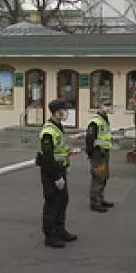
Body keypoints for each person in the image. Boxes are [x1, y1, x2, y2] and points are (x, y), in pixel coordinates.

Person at [36, 99, 78, 248]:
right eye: (63, 110)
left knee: (62, 201)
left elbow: (58, 149)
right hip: (52, 173)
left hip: (61, 169)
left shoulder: (58, 127)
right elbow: (47, 157)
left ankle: (60, 230)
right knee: (52, 203)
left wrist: (68, 152)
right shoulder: (48, 131)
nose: (66, 113)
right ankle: (50, 236)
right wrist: (56, 177)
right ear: (56, 112)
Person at [86, 101, 115, 213]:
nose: (108, 108)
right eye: (106, 105)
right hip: (98, 153)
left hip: (105, 152)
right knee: (98, 177)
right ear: (99, 107)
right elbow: (89, 139)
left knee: (104, 176)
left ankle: (101, 198)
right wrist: (91, 153)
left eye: (109, 105)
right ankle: (95, 202)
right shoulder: (95, 121)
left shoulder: (104, 119)